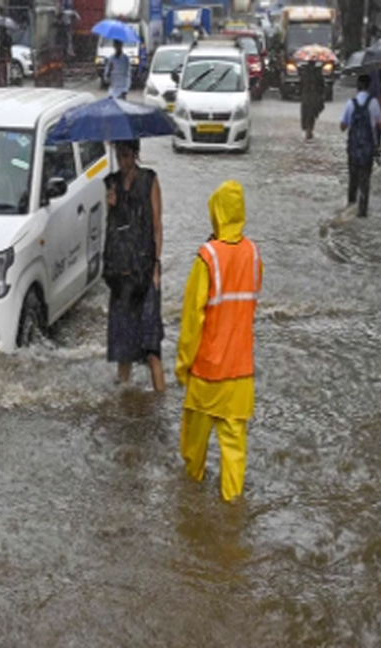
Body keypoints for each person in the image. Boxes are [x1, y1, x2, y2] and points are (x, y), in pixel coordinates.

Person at [176, 180, 263, 503]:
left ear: (216, 212)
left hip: (207, 373)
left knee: (193, 451)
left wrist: (183, 366)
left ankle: (190, 507)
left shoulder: (206, 257)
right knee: (234, 450)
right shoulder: (254, 255)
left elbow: (191, 322)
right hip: (241, 373)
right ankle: (232, 511)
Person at [103, 139, 165, 392]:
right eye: (119, 155)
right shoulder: (112, 183)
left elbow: (157, 225)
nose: (123, 161)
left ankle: (161, 404)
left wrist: (156, 266)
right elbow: (114, 229)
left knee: (151, 348)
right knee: (123, 350)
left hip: (144, 272)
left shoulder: (150, 180)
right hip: (120, 274)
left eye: (127, 155)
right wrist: (112, 206)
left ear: (136, 154)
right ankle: (124, 402)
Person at [340, 73, 381, 219]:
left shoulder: (350, 103)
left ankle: (349, 209)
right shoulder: (374, 103)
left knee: (352, 180)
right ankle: (362, 213)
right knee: (365, 182)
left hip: (353, 150)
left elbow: (343, 126)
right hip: (367, 151)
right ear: (369, 87)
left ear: (357, 87)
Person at [299, 60, 325, 140]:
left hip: (308, 95)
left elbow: (301, 84)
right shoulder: (317, 72)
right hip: (312, 95)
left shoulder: (304, 71)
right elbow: (322, 85)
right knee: (311, 113)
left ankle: (308, 129)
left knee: (308, 112)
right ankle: (309, 129)